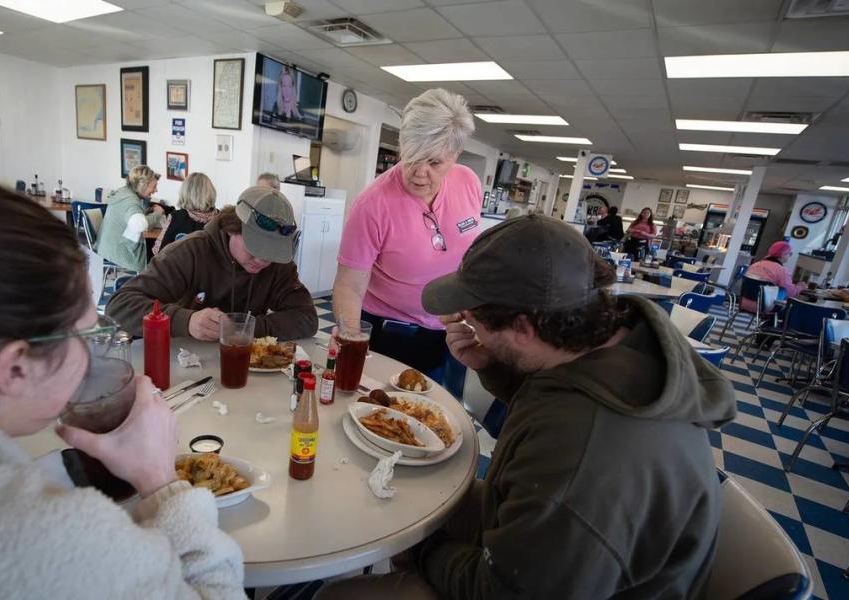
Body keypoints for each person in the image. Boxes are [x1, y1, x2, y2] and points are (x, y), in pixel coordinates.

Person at [316, 215, 736, 600]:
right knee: (413, 498)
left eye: (473, 316)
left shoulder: (586, 452)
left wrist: (422, 548)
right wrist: (497, 370)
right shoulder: (613, 350)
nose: (462, 323)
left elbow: (502, 592)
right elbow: (549, 419)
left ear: (523, 327)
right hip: (558, 555)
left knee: (335, 596)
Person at [0, 179, 245, 598]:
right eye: (86, 336)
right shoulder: (53, 534)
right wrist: (163, 484)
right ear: (15, 368)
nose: (93, 355)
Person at [331, 88, 482, 392]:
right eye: (411, 157)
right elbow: (349, 284)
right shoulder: (372, 204)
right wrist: (350, 334)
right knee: (383, 412)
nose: (419, 173)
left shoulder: (468, 182)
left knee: (438, 414)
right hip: (392, 331)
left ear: (455, 155)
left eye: (435, 163)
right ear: (401, 144)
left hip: (449, 330)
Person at [107, 187, 317, 341]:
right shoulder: (190, 252)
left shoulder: (277, 264)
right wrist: (185, 321)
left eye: (271, 252)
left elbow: (307, 319)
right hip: (183, 362)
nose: (263, 260)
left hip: (243, 369)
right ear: (231, 229)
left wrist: (243, 328)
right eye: (256, 248)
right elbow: (119, 306)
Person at [97, 165, 166, 272]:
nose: (156, 190)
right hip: (119, 252)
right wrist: (157, 213)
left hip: (107, 247)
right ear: (143, 185)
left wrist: (145, 213)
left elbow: (131, 217)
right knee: (161, 258)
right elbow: (139, 225)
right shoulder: (131, 201)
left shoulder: (123, 192)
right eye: (154, 186)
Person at [152, 172, 220, 256]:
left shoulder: (176, 217)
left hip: (181, 267)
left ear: (185, 192)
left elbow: (158, 251)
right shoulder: (222, 219)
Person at [740, 241, 806, 312]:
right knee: (791, 308)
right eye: (790, 254)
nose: (789, 256)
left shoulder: (755, 265)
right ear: (783, 254)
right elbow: (789, 293)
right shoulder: (782, 271)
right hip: (764, 307)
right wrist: (800, 287)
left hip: (743, 303)